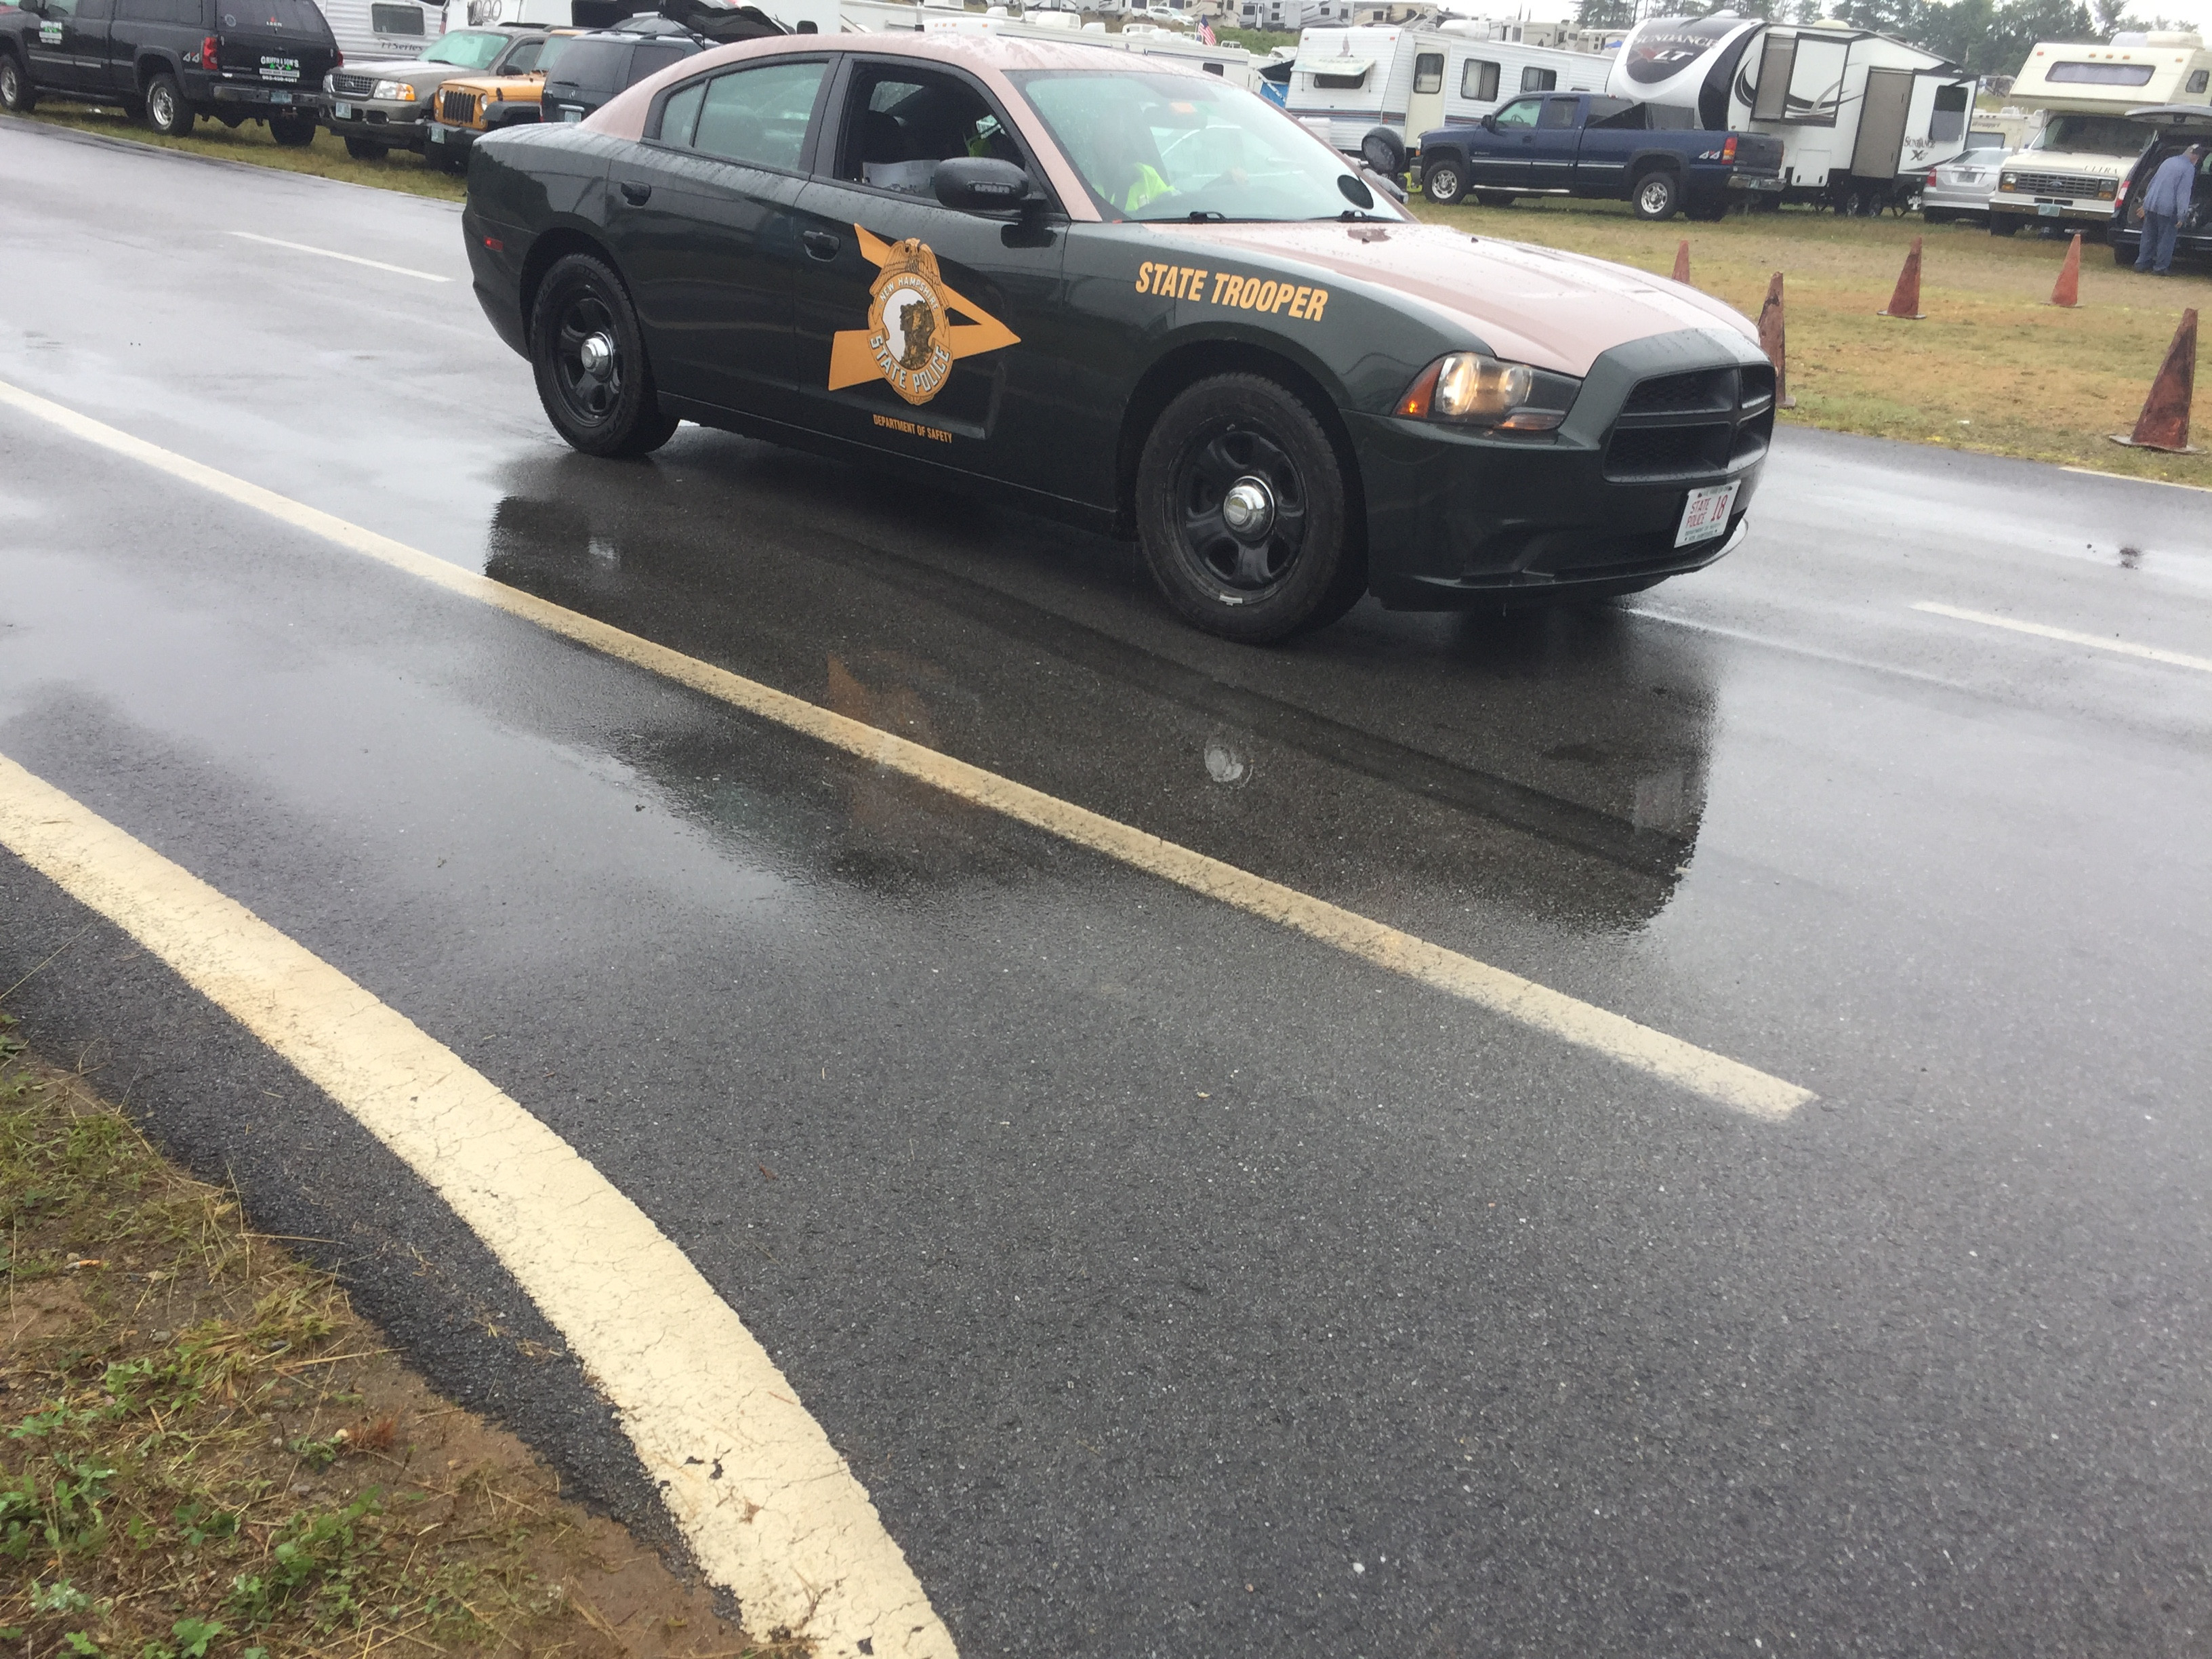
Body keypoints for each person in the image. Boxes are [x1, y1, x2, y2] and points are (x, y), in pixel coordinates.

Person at [2135, 142, 2202, 275]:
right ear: (2196, 157)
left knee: (2148, 236)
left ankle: (2141, 264)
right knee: (2166, 239)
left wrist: (2145, 204)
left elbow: (2152, 183)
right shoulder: (2188, 168)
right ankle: (2160, 268)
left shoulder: (2168, 161)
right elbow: (2183, 193)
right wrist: (2182, 215)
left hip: (2151, 205)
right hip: (2167, 208)